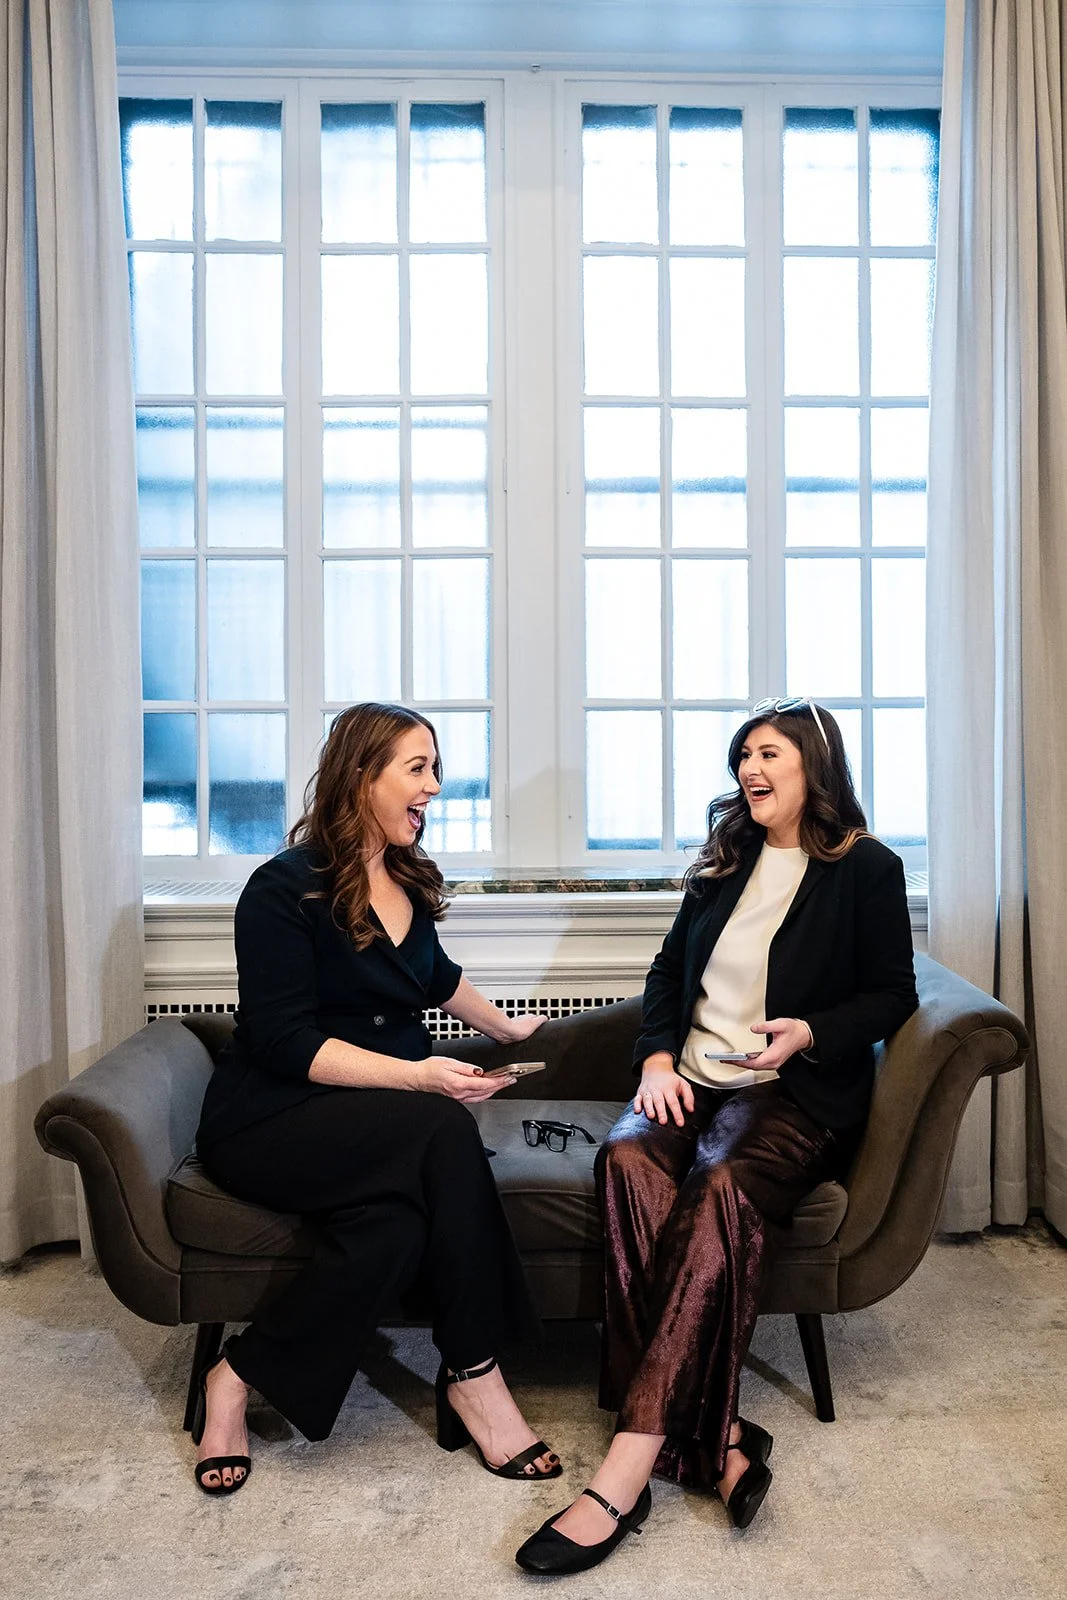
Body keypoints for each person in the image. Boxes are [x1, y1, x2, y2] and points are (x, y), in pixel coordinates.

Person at [515, 697, 918, 1574]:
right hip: (689, 1078)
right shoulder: (722, 862)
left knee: (722, 1184)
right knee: (626, 1157)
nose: (748, 769)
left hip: (787, 1090)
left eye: (767, 753)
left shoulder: (865, 867)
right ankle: (716, 1433)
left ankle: (627, 1464)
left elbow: (893, 994)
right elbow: (668, 973)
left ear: (814, 764)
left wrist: (808, 1032)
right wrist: (657, 1060)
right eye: (742, 755)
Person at [192, 702, 561, 1496]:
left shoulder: (405, 877)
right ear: (361, 775)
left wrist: (507, 1029)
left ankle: (234, 1376)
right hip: (269, 1121)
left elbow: (434, 976)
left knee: (394, 1230)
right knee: (440, 1125)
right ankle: (476, 1374)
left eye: (435, 769)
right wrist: (422, 1076)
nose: (434, 786)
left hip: (364, 1126)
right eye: (417, 768)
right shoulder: (281, 890)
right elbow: (284, 1043)